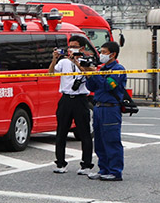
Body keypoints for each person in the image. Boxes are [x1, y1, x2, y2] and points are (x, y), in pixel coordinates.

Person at [49, 37, 95, 175]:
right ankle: (60, 163)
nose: (71, 49)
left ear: (81, 48)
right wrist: (54, 59)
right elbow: (51, 73)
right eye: (70, 46)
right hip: (66, 99)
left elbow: (91, 73)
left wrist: (77, 62)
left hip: (81, 99)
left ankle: (86, 165)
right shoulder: (63, 62)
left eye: (75, 46)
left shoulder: (87, 60)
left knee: (84, 133)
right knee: (61, 132)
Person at [86, 41, 127, 181]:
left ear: (112, 54)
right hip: (98, 107)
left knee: (112, 140)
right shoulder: (102, 69)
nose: (101, 55)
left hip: (110, 108)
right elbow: (91, 87)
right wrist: (89, 74)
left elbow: (109, 85)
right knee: (99, 141)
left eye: (103, 52)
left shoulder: (118, 69)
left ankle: (115, 171)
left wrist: (95, 74)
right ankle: (103, 169)